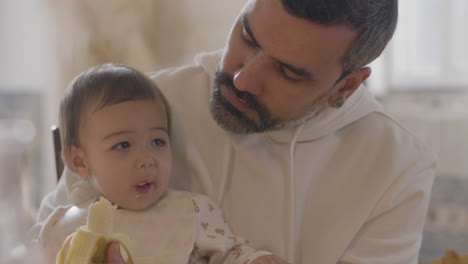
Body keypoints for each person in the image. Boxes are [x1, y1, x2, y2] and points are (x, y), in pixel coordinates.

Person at [35, 0, 436, 263]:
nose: (243, 79)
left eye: (288, 72)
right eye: (248, 36)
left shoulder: (396, 166)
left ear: (346, 86)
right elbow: (45, 235)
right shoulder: (144, 105)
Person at [31, 64, 288, 264]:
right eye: (123, 145)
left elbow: (231, 252)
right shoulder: (60, 225)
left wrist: (252, 259)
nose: (147, 160)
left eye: (157, 141)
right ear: (79, 161)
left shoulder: (192, 212)